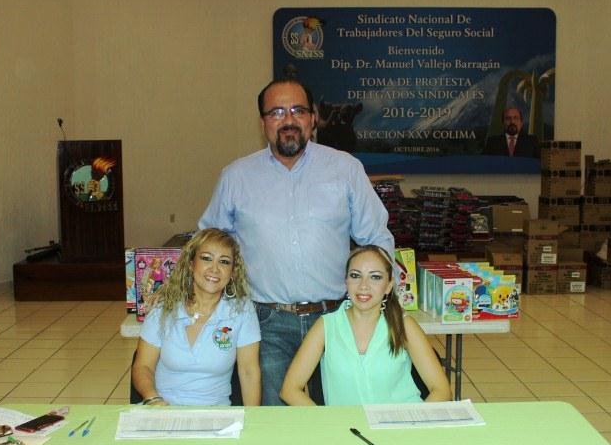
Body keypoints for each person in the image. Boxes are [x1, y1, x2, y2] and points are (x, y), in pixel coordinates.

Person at [199, 78, 394, 405]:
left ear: (313, 118)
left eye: (297, 111)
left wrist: (379, 302)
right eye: (276, 112)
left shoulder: (345, 169)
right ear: (262, 122)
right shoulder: (236, 177)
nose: (288, 120)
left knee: (339, 415)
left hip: (336, 319)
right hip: (267, 324)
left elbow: (376, 238)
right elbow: (208, 245)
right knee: (280, 422)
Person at [280, 245, 451, 406]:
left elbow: (441, 390)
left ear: (388, 286)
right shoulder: (326, 326)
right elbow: (289, 390)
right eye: (355, 276)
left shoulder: (404, 325)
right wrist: (328, 422)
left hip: (400, 422)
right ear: (346, 281)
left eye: (375, 277)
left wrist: (411, 422)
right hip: (348, 426)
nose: (363, 286)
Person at [131, 228, 261, 406]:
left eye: (224, 262)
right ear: (191, 264)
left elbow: (249, 372)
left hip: (216, 414)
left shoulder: (242, 310)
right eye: (206, 258)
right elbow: (143, 366)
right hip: (162, 408)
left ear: (232, 272)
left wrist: (252, 418)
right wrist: (153, 399)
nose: (214, 269)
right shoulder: (163, 307)